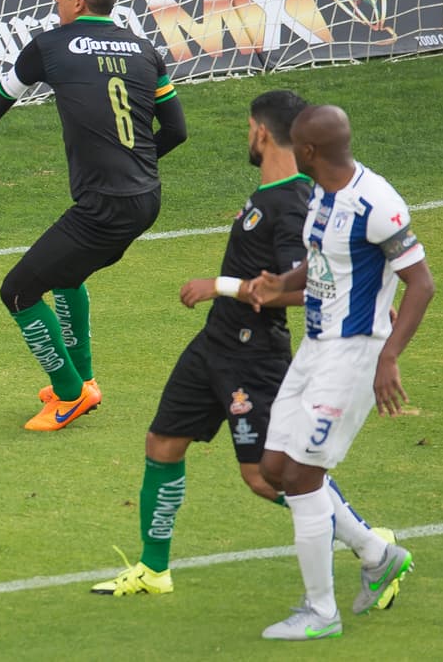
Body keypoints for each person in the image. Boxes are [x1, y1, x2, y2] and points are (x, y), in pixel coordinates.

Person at [89, 89, 312, 595]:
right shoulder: (270, 193)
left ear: (262, 132)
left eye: (248, 128)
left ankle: (371, 543)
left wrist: (222, 286)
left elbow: (305, 288)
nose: (247, 137)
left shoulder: (292, 204)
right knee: (163, 444)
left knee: (264, 477)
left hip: (253, 354)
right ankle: (154, 570)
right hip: (215, 342)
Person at [0, 0, 187, 431]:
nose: (56, 3)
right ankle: (83, 379)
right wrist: (137, 165)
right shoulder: (144, 49)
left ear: (78, 1)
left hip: (106, 207)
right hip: (145, 198)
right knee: (66, 277)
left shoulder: (50, 46)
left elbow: (4, 93)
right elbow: (177, 130)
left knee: (17, 292)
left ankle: (68, 394)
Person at [244, 104, 434, 641]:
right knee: (274, 467)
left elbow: (421, 284)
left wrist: (388, 357)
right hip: (315, 347)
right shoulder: (321, 195)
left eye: (293, 143)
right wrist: (280, 283)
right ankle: (377, 555)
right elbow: (323, 258)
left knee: (302, 478)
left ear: (308, 152)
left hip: (354, 355)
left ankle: (320, 612)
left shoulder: (377, 204)